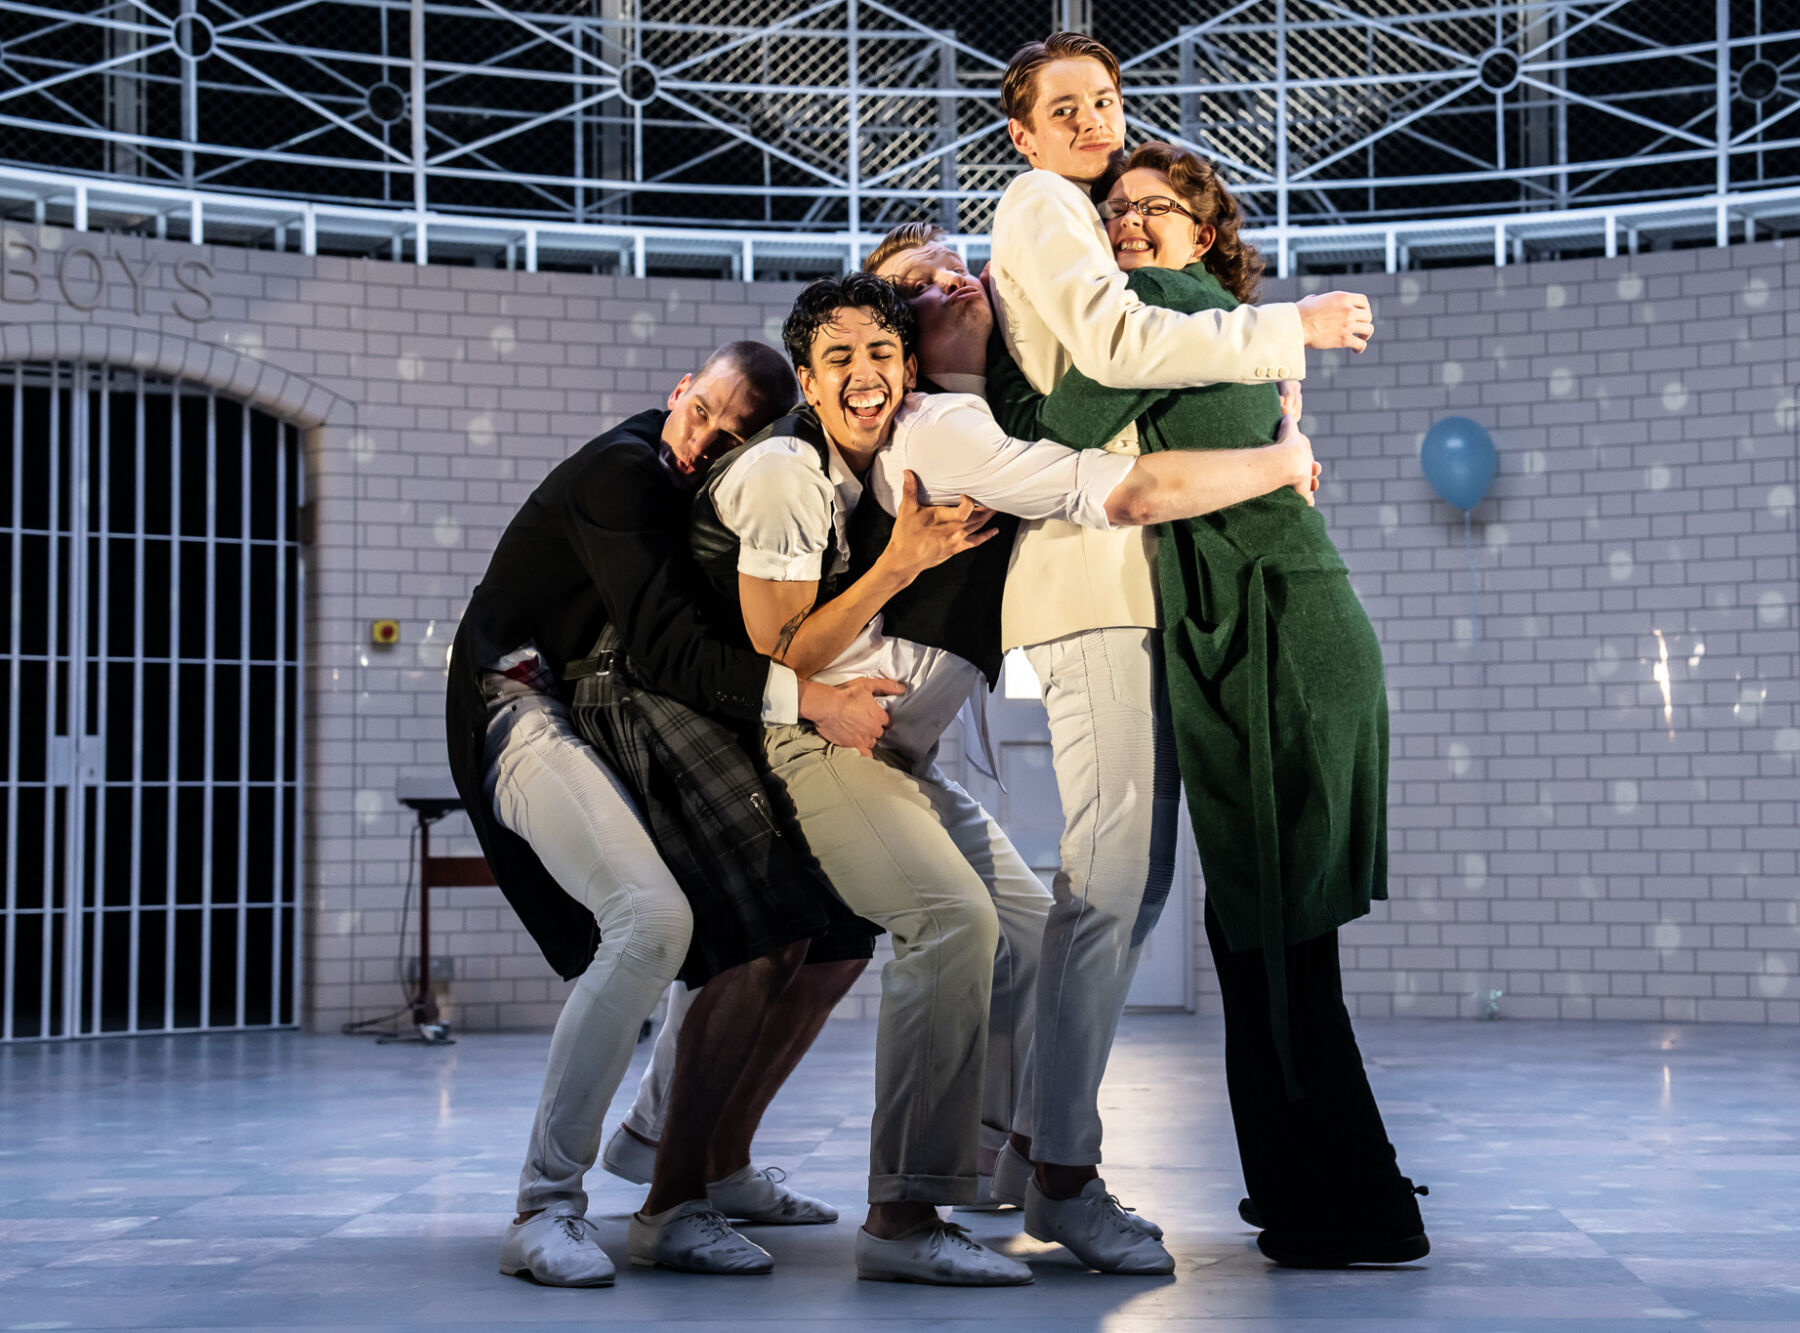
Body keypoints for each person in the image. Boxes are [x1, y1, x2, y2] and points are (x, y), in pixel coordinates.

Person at [685, 272, 1321, 1284]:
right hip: (832, 741)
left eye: (956, 270)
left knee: (1026, 934)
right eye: (921, 286)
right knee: (954, 925)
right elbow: (1116, 491)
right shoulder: (930, 433)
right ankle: (900, 1208)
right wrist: (1276, 458)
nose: (957, 281)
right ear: (814, 372)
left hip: (899, 753)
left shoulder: (940, 422)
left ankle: (1005, 1164)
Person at [941, 28, 1377, 1276]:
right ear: (1020, 137)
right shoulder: (1039, 205)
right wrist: (1285, 327)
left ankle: (1028, 1148)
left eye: (1107, 101)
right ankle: (1060, 1177)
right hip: (1093, 591)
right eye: (1064, 106)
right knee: (1109, 889)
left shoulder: (1067, 215)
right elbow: (1115, 353)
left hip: (1132, 590)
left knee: (1117, 898)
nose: (1093, 121)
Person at [443, 341, 910, 1285]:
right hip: (520, 708)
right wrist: (816, 698)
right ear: (679, 390)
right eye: (702, 415)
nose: (703, 444)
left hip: (602, 713)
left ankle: (690, 1155)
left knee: (806, 926)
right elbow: (666, 649)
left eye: (732, 436)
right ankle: (544, 1204)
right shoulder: (620, 474)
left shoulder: (702, 482)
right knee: (652, 922)